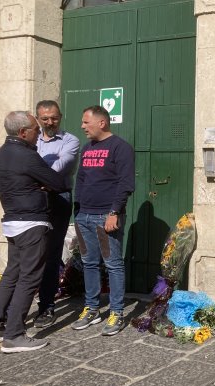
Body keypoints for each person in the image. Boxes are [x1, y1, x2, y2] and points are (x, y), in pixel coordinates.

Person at [0, 111, 68, 353]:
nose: (39, 132)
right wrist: (43, 184)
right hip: (30, 222)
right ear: (22, 133)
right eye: (34, 128)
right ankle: (14, 335)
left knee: (12, 275)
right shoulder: (27, 155)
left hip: (12, 221)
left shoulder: (0, 154)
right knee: (29, 278)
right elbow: (59, 182)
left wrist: (38, 183)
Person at [71, 105, 134, 336]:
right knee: (89, 263)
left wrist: (114, 212)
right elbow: (81, 180)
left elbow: (125, 184)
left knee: (113, 264)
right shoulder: (87, 149)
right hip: (84, 216)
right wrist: (77, 211)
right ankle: (92, 309)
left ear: (102, 123)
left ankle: (117, 312)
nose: (82, 126)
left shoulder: (121, 148)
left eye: (86, 122)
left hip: (106, 216)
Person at [32, 100, 80, 328]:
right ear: (37, 118)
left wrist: (34, 177)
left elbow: (61, 166)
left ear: (60, 116)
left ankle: (46, 307)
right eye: (45, 118)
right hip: (33, 200)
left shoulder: (70, 140)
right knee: (31, 254)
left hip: (59, 199)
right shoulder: (31, 140)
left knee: (51, 255)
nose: (50, 122)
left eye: (54, 118)